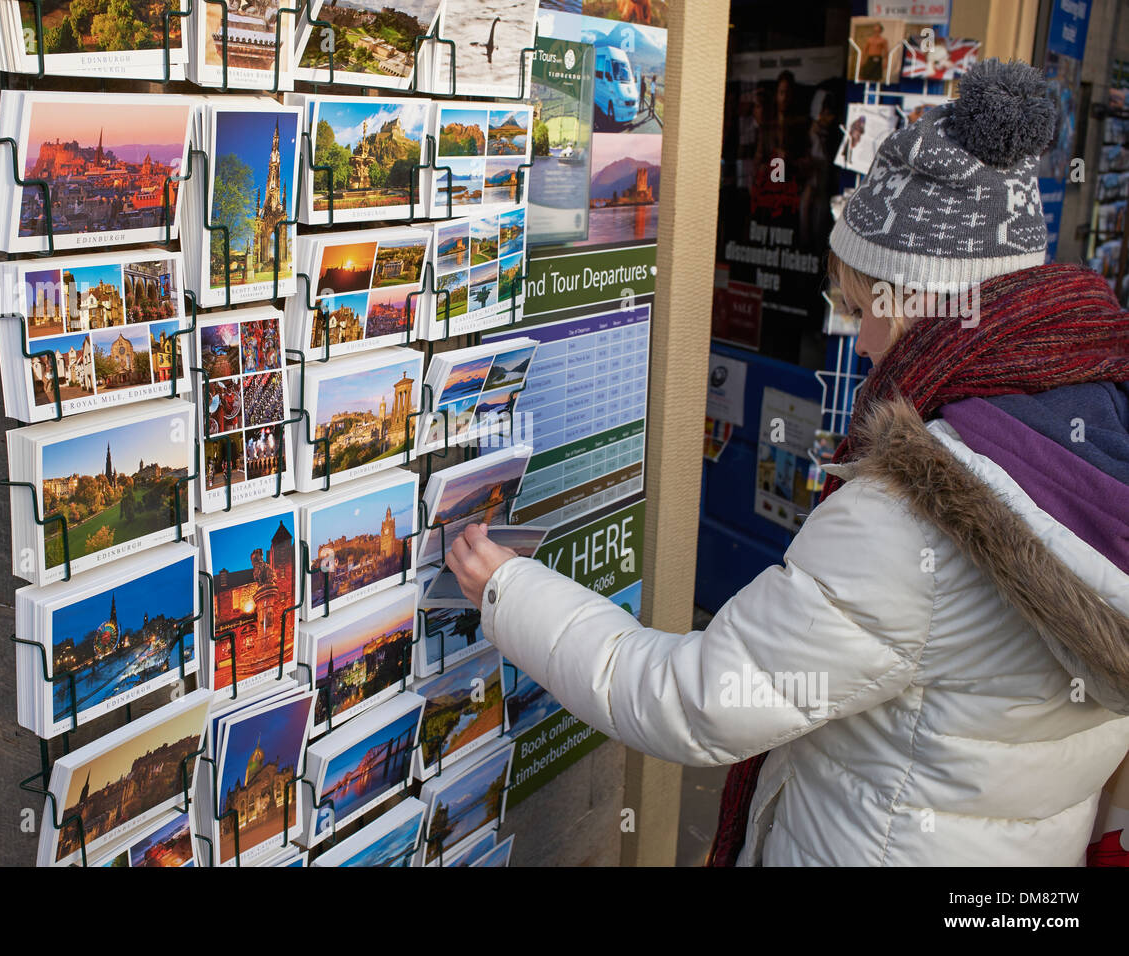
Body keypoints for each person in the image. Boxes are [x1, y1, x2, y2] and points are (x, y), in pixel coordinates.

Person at [445, 59, 1129, 866]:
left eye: (857, 306)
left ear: (917, 301)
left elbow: (696, 701)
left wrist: (508, 590)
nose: (860, 341)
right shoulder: (1093, 434)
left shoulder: (918, 516)